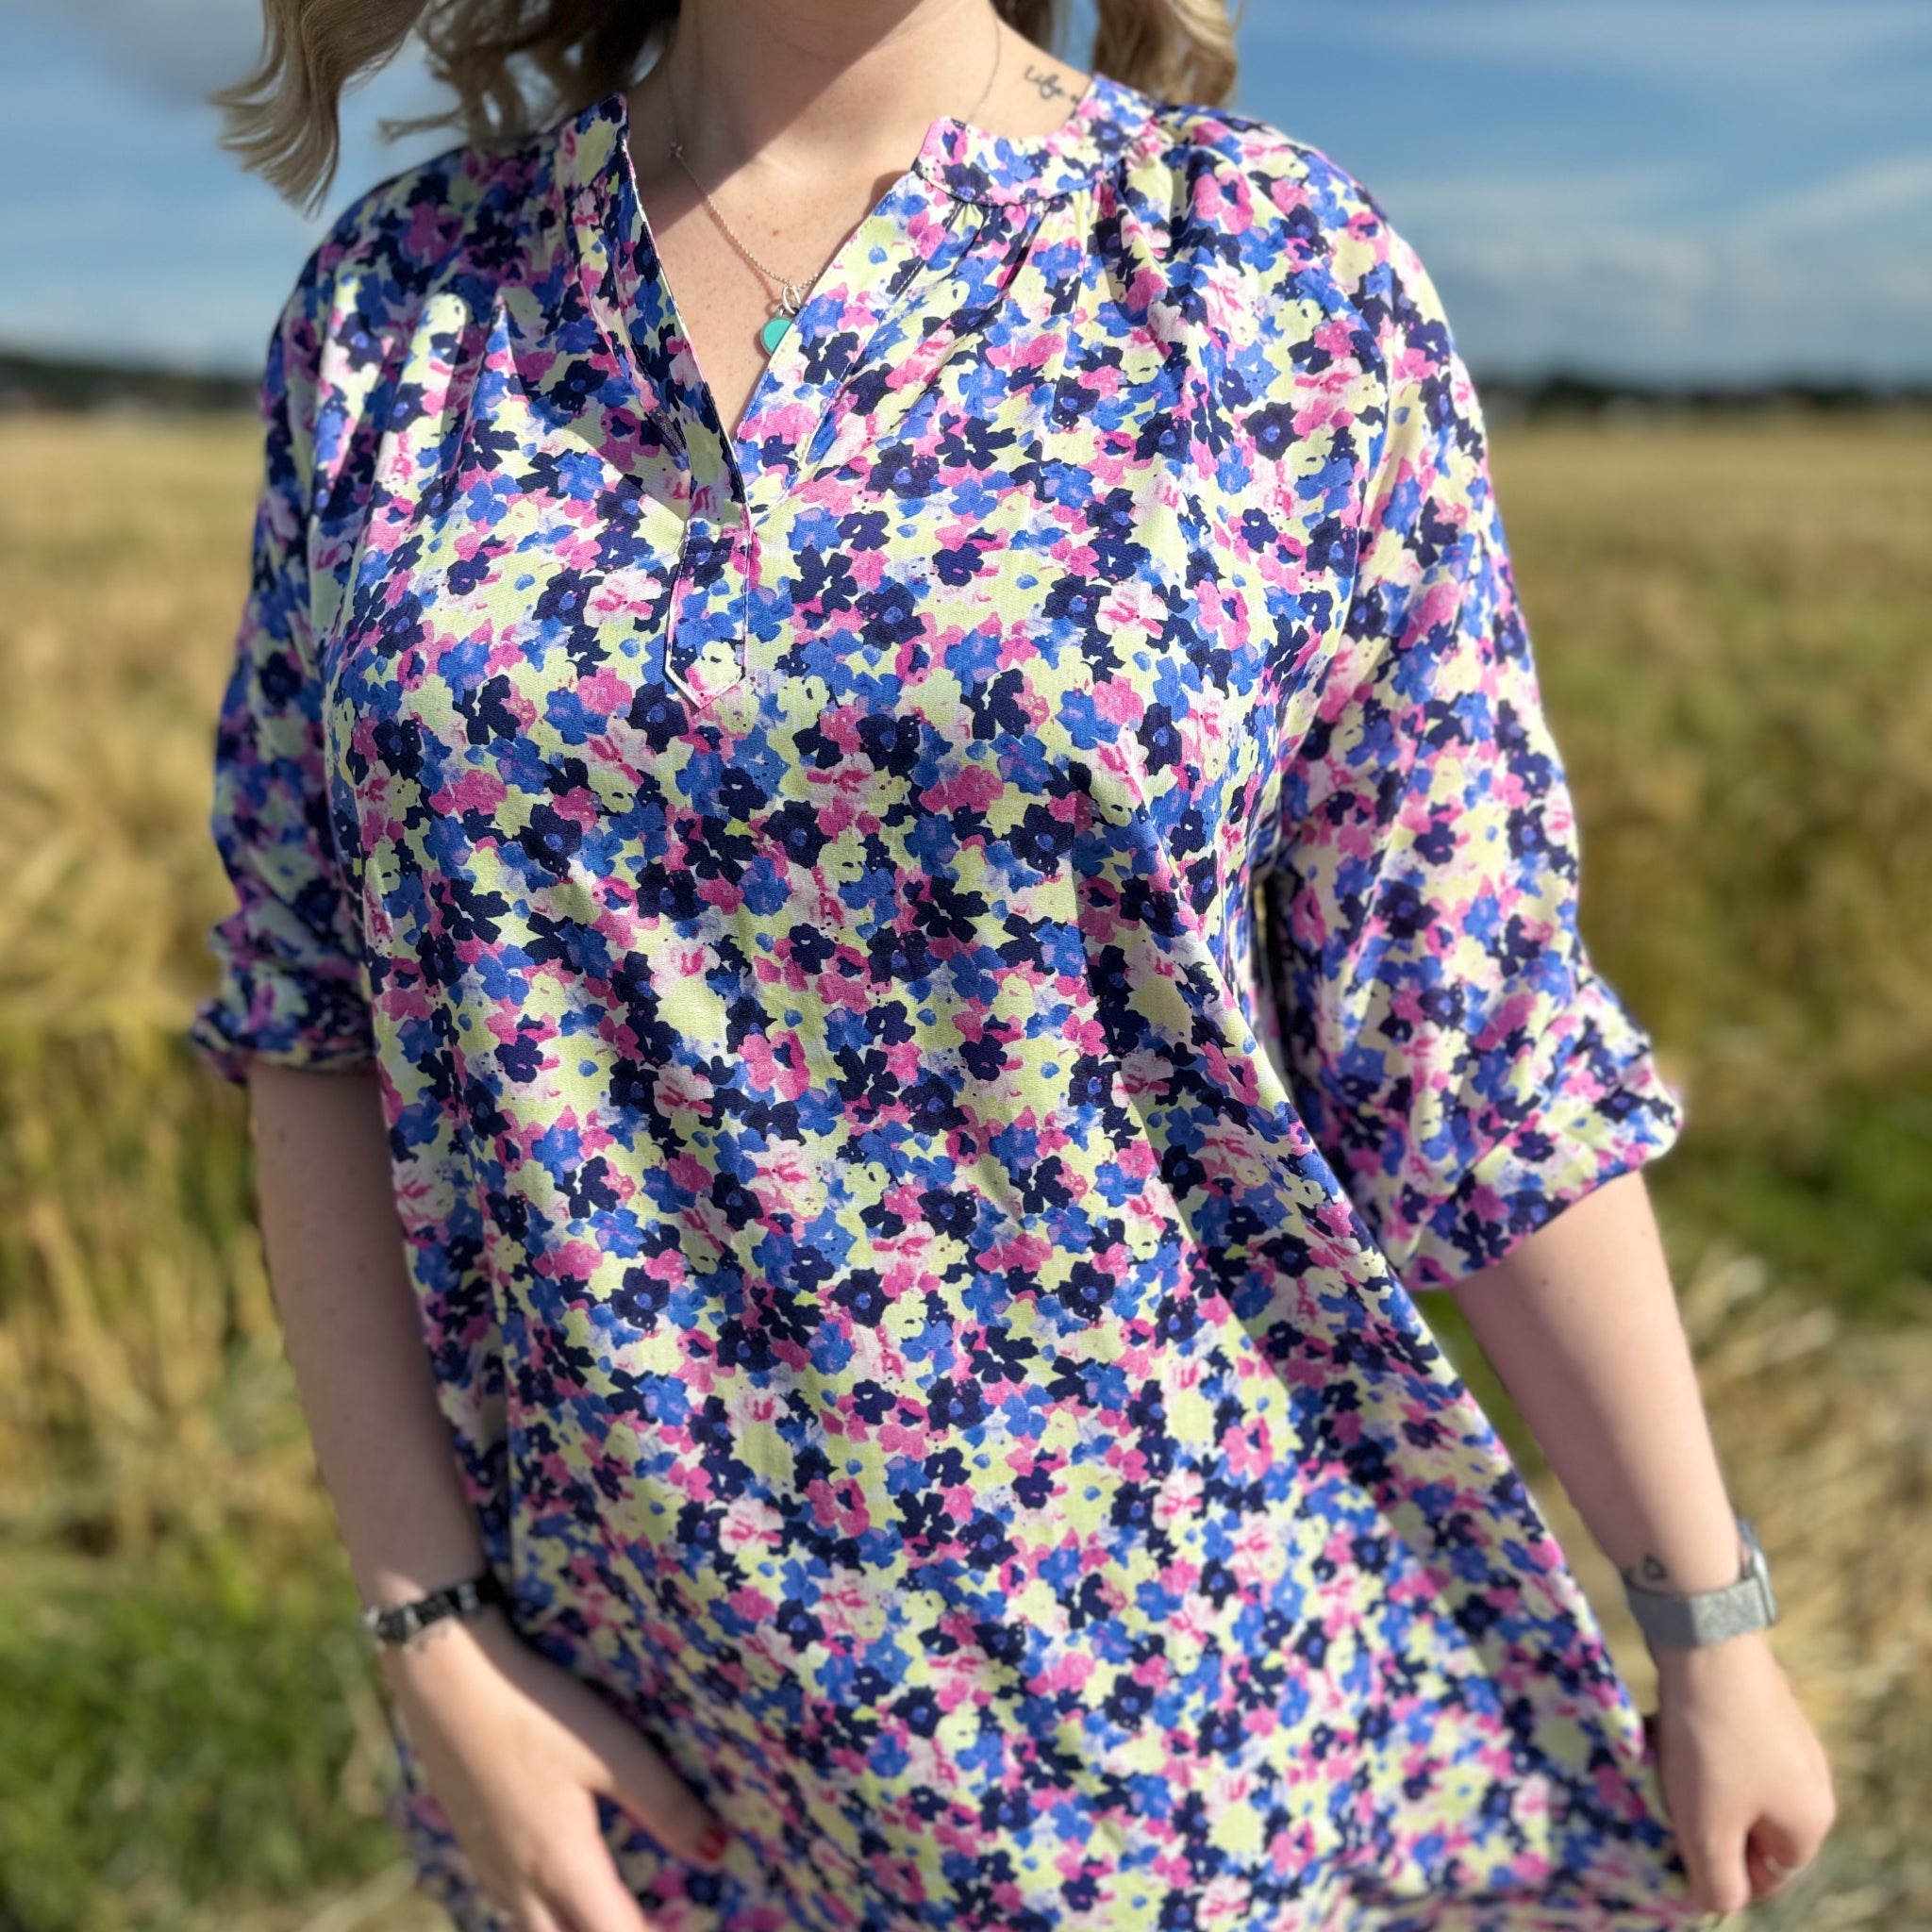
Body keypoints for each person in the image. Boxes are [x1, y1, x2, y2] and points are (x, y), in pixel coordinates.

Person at [192, 2, 1835, 1927]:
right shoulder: (408, 307)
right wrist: (431, 1630)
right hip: (637, 1731)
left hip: (1175, 1731)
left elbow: (1465, 1031)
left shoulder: (1265, 278)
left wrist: (1706, 1622)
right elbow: (314, 1015)